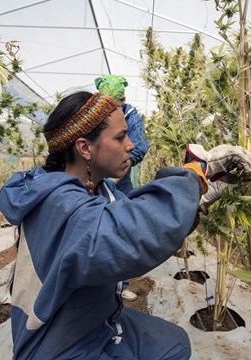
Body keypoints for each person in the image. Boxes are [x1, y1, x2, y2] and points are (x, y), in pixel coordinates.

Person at [0, 91, 251, 359]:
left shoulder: (98, 191)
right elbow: (129, 234)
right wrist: (193, 175)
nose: (131, 145)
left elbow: (137, 214)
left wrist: (196, 199)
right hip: (59, 345)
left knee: (175, 343)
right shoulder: (57, 204)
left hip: (97, 325)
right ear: (85, 147)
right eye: (121, 137)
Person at [94, 74, 149, 301]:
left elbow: (138, 148)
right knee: (96, 230)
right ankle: (97, 284)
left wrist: (114, 174)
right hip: (94, 178)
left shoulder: (131, 117)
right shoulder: (91, 115)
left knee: (121, 230)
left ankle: (120, 283)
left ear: (123, 100)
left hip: (119, 181)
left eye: (115, 104)